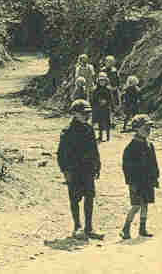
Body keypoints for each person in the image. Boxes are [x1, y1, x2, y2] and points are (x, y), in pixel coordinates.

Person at [56, 99, 104, 240]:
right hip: (74, 170)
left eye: (88, 113)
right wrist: (65, 171)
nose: (87, 116)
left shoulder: (89, 129)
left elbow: (95, 149)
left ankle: (89, 228)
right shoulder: (67, 131)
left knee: (89, 197)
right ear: (75, 113)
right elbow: (61, 154)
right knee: (75, 199)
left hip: (88, 169)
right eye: (83, 113)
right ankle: (77, 227)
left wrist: (97, 165)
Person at [121, 114, 159, 240]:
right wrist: (131, 182)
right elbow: (127, 167)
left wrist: (155, 177)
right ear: (136, 129)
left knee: (145, 204)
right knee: (136, 205)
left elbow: (154, 163)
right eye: (145, 128)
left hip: (147, 180)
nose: (148, 131)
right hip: (136, 182)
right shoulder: (131, 147)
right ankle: (125, 228)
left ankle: (142, 228)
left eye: (149, 128)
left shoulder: (149, 145)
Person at [91, 73, 114, 142]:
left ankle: (108, 136)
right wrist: (98, 102)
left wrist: (107, 102)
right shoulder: (95, 89)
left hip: (106, 108)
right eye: (100, 80)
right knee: (100, 122)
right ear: (98, 81)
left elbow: (111, 98)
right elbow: (93, 99)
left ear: (106, 81)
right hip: (98, 108)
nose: (102, 82)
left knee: (107, 122)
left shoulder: (108, 89)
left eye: (103, 80)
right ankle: (100, 136)